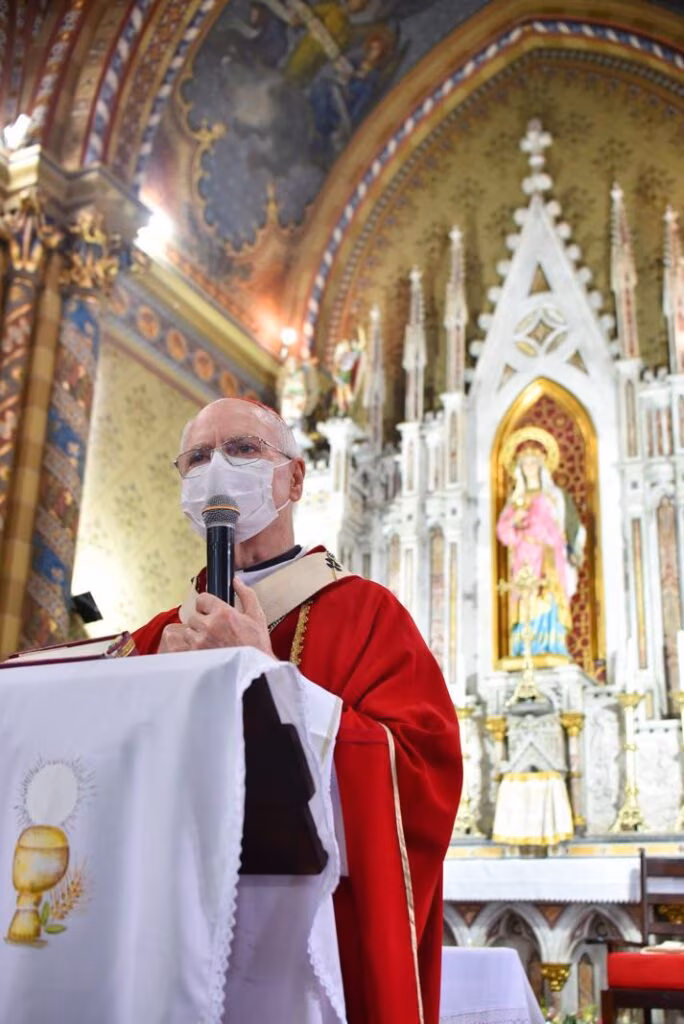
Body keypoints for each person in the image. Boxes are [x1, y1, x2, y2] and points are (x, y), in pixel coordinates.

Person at [132, 396, 462, 1024]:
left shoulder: (368, 615)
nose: (217, 470)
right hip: (176, 930)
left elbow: (423, 773)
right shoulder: (156, 637)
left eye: (244, 450)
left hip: (308, 935)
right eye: (197, 458)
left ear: (296, 477)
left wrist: (271, 679)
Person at [496, 426, 585, 658]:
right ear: (519, 469)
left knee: (550, 596)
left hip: (549, 556)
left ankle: (551, 645)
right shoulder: (516, 500)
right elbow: (503, 532)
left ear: (542, 465)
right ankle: (526, 647)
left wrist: (571, 548)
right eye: (524, 463)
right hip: (525, 557)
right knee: (527, 598)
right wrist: (515, 520)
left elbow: (570, 527)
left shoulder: (555, 496)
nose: (529, 467)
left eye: (534, 462)